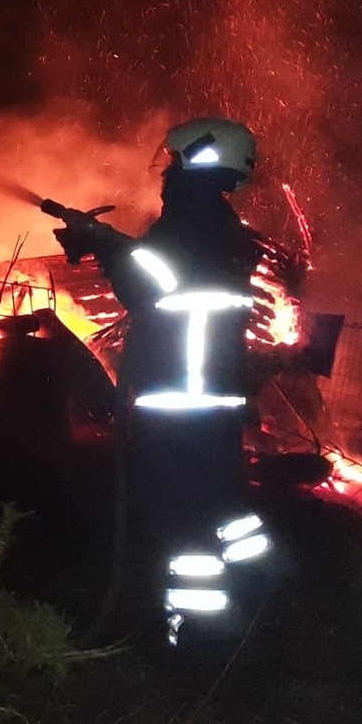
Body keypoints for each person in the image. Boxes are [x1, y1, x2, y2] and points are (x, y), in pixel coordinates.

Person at [53, 117, 272, 648]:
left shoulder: (189, 227)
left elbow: (147, 284)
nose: (165, 172)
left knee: (181, 520)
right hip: (212, 401)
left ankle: (196, 635)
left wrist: (100, 244)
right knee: (219, 502)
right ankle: (262, 590)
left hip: (179, 403)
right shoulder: (216, 228)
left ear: (196, 162)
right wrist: (107, 240)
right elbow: (166, 272)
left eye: (173, 161)